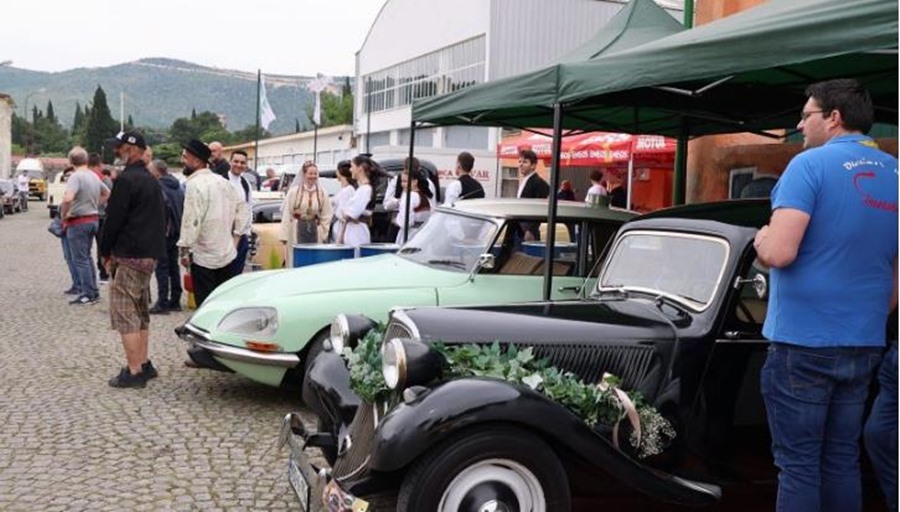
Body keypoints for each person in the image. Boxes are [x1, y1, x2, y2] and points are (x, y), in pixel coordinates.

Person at [753, 79, 898, 512]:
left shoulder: (808, 166)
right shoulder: (896, 171)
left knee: (798, 466)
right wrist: (867, 314)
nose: (800, 125)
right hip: (864, 341)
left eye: (806, 115)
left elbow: (779, 252)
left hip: (803, 341)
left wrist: (761, 237)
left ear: (834, 118)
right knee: (840, 459)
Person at [99, 130, 166, 388]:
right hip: (149, 254)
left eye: (120, 148)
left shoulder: (127, 180)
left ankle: (134, 371)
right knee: (140, 311)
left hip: (129, 254)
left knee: (126, 313)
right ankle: (145, 363)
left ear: (130, 149)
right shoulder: (151, 179)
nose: (117, 151)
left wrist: (105, 252)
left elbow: (113, 220)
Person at [179, 139, 249, 368]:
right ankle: (226, 351)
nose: (182, 160)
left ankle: (206, 354)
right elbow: (243, 210)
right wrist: (236, 238)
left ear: (197, 160)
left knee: (206, 307)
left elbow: (192, 219)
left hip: (204, 254)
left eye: (185, 157)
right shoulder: (223, 182)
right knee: (224, 305)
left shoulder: (195, 185)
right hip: (226, 251)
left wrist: (184, 249)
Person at [60, 146, 110, 305]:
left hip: (78, 221)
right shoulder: (94, 176)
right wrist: (95, 205)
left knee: (79, 259)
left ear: (71, 161)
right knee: (87, 257)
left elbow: (68, 198)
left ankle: (88, 293)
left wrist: (64, 214)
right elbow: (107, 193)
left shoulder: (76, 177)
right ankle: (93, 290)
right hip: (93, 219)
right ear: (86, 160)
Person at [148, 159, 185, 314]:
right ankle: (175, 300)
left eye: (151, 170)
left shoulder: (158, 186)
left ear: (157, 171)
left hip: (163, 232)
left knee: (162, 268)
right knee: (173, 266)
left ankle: (162, 302)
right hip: (176, 231)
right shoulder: (177, 186)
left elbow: (159, 209)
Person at [279, 161, 333, 265]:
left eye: (315, 174)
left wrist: (323, 231)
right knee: (296, 255)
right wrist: (284, 234)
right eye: (310, 173)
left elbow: (327, 213)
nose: (313, 176)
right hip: (297, 227)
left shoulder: (321, 192)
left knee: (314, 256)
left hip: (314, 227)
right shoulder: (294, 191)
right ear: (304, 174)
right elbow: (287, 212)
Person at [385, 165, 432, 244]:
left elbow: (405, 222)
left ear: (415, 182)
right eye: (402, 181)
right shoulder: (423, 195)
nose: (402, 184)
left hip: (410, 235)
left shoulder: (410, 197)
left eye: (405, 181)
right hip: (422, 234)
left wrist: (395, 220)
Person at [337, 155, 376, 248]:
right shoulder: (361, 189)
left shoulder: (365, 189)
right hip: (353, 231)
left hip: (357, 233)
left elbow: (352, 213)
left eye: (352, 166)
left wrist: (346, 214)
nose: (350, 170)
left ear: (360, 169)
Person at [226, 150, 254, 276]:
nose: (239, 165)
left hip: (241, 236)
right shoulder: (222, 180)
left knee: (236, 273)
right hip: (224, 235)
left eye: (242, 162)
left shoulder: (246, 183)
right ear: (230, 162)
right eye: (236, 161)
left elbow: (249, 208)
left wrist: (247, 232)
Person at [88, 153, 113, 283]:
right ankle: (103, 272)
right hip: (100, 216)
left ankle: (99, 273)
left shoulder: (89, 178)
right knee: (101, 246)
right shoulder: (104, 179)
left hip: (94, 216)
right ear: (100, 165)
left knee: (95, 247)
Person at [516, 149, 549, 242]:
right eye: (520, 161)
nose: (521, 164)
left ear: (533, 165)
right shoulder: (525, 180)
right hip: (520, 228)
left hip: (529, 231)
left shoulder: (539, 183)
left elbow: (539, 209)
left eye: (525, 162)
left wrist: (530, 230)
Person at [330, 160, 356, 243]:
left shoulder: (347, 191)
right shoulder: (346, 190)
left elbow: (344, 216)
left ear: (339, 172)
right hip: (338, 227)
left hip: (341, 229)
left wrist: (341, 236)